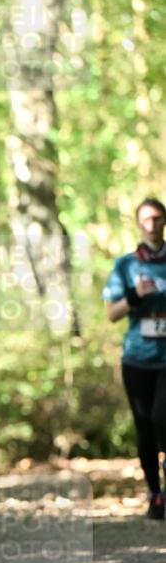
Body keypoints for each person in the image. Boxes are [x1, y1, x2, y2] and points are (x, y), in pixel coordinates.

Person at [103, 197, 166, 519]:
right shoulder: (126, 265)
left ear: (164, 221)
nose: (152, 225)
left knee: (161, 417)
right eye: (146, 220)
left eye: (157, 218)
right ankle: (155, 495)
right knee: (144, 427)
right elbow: (112, 313)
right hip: (137, 358)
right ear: (139, 224)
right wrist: (135, 295)